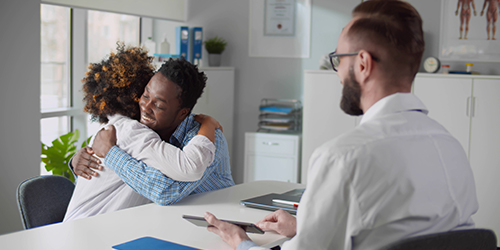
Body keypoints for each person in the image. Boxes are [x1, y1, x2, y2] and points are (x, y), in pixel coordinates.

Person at [205, 1, 478, 249]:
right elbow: (405, 237)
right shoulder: (451, 147)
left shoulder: (343, 157)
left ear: (362, 64)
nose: (337, 72)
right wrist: (305, 227)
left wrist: (241, 242)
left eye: (338, 59)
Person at [64, 44, 227, 220]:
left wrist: (111, 154)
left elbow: (166, 192)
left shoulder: (207, 140)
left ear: (182, 113)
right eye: (145, 95)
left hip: (215, 219)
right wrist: (76, 161)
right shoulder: (127, 130)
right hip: (91, 230)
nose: (146, 107)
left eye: (159, 105)